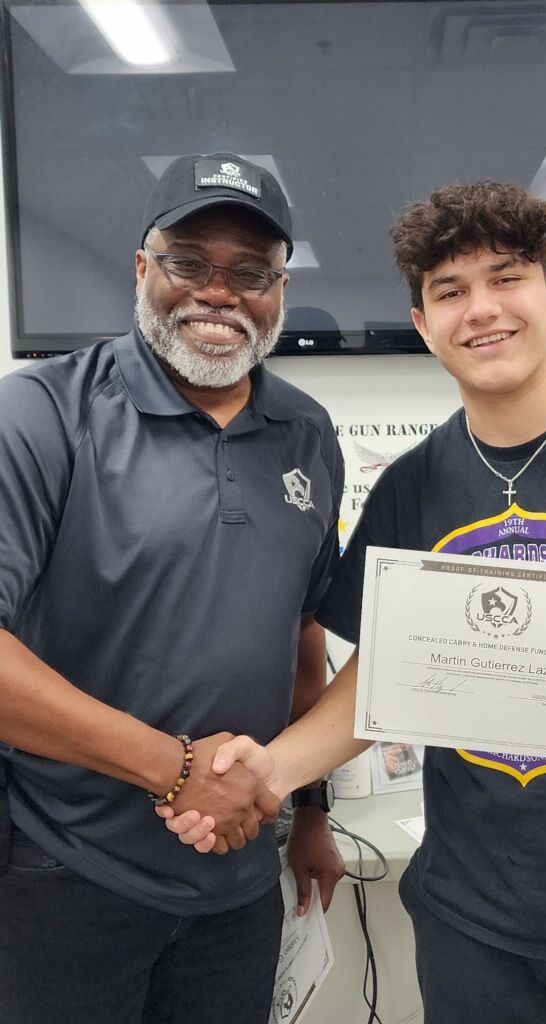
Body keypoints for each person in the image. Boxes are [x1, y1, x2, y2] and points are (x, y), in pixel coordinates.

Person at [167, 180, 546, 1022]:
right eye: (450, 292)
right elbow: (385, 680)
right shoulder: (411, 490)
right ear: (423, 325)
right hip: (475, 927)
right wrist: (275, 770)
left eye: (507, 277)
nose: (481, 309)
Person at [0, 152, 346, 1024]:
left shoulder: (306, 433)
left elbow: (300, 636)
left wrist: (311, 812)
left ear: (279, 289)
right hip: (63, 874)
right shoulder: (41, 414)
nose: (219, 293)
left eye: (252, 273)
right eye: (190, 261)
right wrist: (177, 770)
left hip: (237, 887)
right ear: (143, 266)